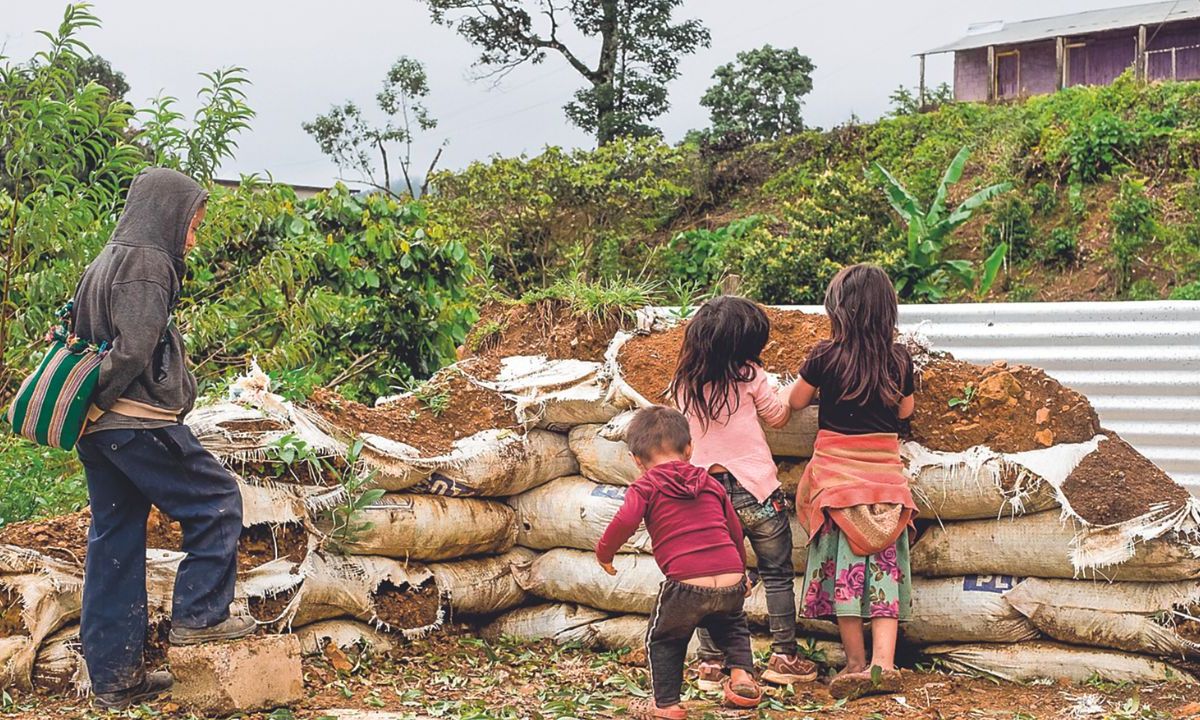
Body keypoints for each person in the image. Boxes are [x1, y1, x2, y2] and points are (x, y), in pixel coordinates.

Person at [73, 167, 255, 709]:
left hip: (99, 433)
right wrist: (105, 400)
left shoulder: (105, 259)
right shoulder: (149, 263)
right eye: (192, 224)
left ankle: (114, 679)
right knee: (218, 503)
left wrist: (90, 409)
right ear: (168, 215)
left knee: (116, 542)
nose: (193, 239)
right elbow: (131, 353)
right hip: (136, 422)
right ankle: (200, 619)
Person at [668, 296, 817, 688]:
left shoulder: (683, 382)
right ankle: (784, 656)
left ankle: (711, 664)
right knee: (778, 573)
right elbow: (778, 417)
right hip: (757, 492)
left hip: (703, 495)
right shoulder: (750, 374)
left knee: (708, 577)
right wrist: (788, 394)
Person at [789, 264, 919, 701]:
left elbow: (795, 401)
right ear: (888, 311)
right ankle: (884, 665)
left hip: (837, 487)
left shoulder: (824, 356)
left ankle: (855, 664)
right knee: (883, 574)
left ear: (838, 309)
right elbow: (905, 414)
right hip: (887, 490)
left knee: (846, 576)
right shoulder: (900, 360)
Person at [595, 406, 762, 720]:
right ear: (689, 449)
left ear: (636, 460)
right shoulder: (711, 484)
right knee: (733, 625)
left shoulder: (645, 486)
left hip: (686, 583)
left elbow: (626, 520)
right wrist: (741, 575)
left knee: (665, 638)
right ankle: (741, 677)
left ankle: (667, 705)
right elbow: (735, 531)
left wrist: (604, 553)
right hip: (729, 579)